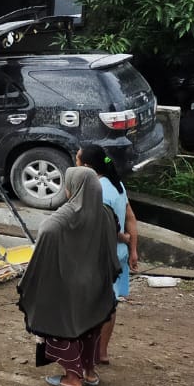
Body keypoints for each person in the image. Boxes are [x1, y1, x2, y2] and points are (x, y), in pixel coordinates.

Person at [17, 167, 121, 386]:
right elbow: (110, 251)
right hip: (95, 283)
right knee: (89, 328)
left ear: (73, 188)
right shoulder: (104, 215)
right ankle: (89, 373)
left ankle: (72, 379)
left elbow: (45, 238)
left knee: (64, 327)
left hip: (67, 285)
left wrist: (32, 282)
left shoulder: (61, 219)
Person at [76, 145, 139, 364]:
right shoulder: (117, 184)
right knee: (110, 304)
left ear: (87, 166)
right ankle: (102, 352)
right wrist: (133, 250)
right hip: (119, 256)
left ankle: (90, 356)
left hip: (101, 257)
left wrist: (122, 237)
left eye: (77, 160)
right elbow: (130, 217)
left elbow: (103, 227)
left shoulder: (95, 190)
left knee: (95, 306)